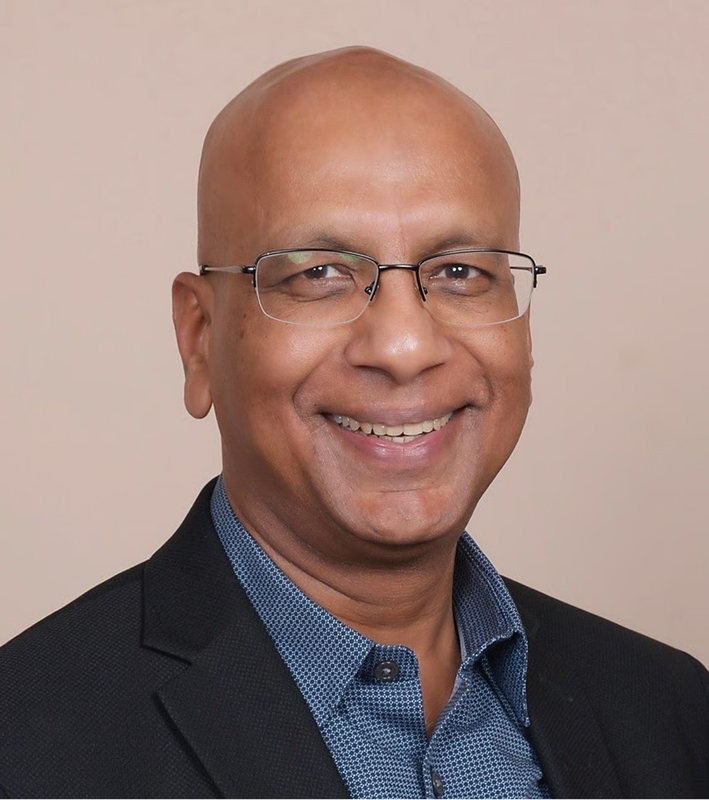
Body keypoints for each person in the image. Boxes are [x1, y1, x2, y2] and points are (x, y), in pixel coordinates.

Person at [0, 46, 707, 800]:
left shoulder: (671, 714)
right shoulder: (29, 745)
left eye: (461, 271)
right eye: (319, 274)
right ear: (199, 338)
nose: (404, 348)